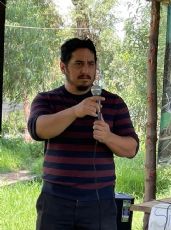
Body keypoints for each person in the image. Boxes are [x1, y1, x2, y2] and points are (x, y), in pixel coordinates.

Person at [27, 37, 139, 230]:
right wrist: (75, 111)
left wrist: (108, 137)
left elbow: (131, 149)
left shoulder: (113, 102)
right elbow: (38, 129)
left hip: (99, 201)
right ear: (63, 67)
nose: (86, 71)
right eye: (78, 64)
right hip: (55, 201)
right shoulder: (47, 99)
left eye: (91, 64)